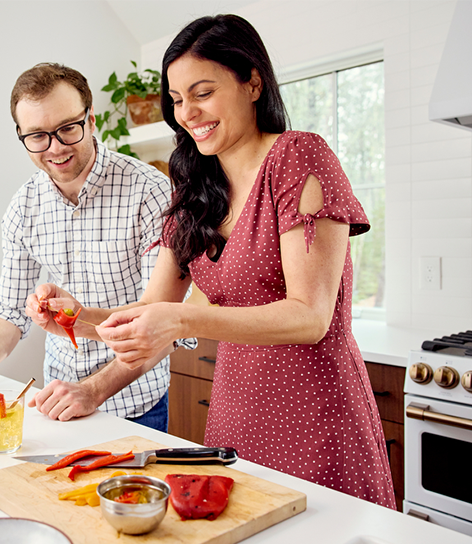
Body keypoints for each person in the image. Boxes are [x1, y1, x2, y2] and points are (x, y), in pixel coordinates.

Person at [27, 16, 397, 509]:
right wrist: (79, 318)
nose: (188, 112)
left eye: (202, 92)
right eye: (177, 100)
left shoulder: (298, 157)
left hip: (316, 416)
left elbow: (310, 316)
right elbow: (152, 313)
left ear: (252, 81)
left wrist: (178, 318)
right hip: (235, 416)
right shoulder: (196, 190)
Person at [0, 63, 184, 432]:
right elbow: (9, 314)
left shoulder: (150, 192)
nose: (56, 148)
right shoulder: (24, 207)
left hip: (135, 406)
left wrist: (92, 390)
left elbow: (164, 324)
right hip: (58, 400)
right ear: (21, 135)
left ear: (91, 120)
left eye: (68, 128)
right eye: (37, 136)